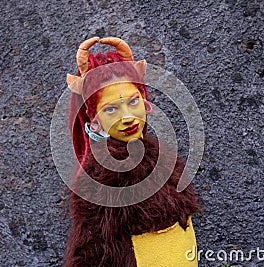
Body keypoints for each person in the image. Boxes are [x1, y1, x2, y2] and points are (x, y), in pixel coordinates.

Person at [63, 36, 201, 267]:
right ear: (94, 120)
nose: (127, 117)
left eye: (133, 102)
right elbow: (89, 253)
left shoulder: (161, 157)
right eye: (111, 108)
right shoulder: (98, 180)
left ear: (145, 103)